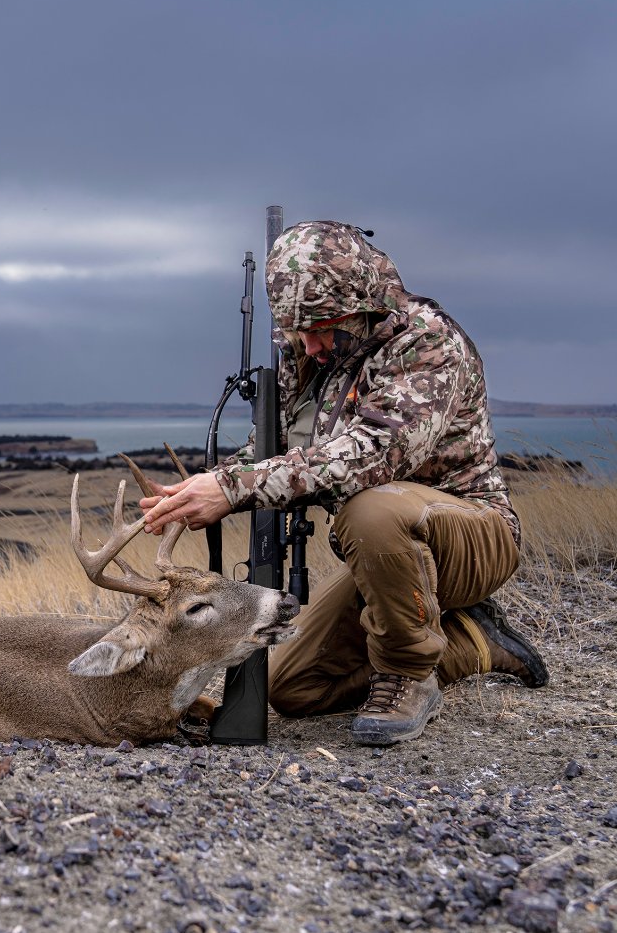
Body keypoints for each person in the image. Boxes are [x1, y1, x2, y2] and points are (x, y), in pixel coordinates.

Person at [141, 220, 547, 746]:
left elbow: (374, 455)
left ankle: (408, 674)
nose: (309, 345)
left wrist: (236, 489)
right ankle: (472, 641)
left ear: (363, 302)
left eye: (322, 327)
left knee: (371, 510)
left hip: (471, 537)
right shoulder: (310, 356)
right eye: (296, 331)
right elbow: (276, 450)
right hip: (391, 557)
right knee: (293, 689)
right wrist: (213, 482)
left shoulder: (426, 341)